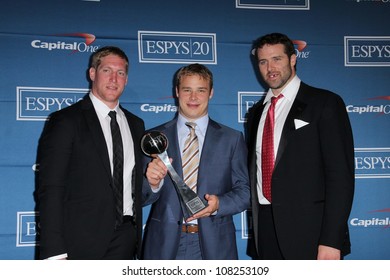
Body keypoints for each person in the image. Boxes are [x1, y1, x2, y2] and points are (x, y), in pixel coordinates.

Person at [245, 33, 355, 260]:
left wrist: (331, 240)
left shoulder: (325, 103)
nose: (270, 68)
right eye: (263, 62)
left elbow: (340, 176)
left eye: (277, 59)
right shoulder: (256, 113)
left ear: (293, 59)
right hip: (265, 232)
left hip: (312, 235)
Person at [36, 46, 146, 260]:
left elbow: (136, 184)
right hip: (79, 240)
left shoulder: (136, 125)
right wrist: (54, 251)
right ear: (92, 73)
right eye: (107, 70)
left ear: (126, 79)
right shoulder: (66, 121)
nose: (114, 78)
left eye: (121, 73)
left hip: (125, 238)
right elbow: (51, 187)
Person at [141, 63, 250, 260]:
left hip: (215, 245)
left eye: (201, 90)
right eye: (187, 90)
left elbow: (245, 192)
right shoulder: (154, 138)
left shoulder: (231, 139)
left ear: (211, 93)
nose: (193, 97)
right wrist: (152, 184)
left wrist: (219, 204)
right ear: (176, 92)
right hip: (164, 245)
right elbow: (139, 197)